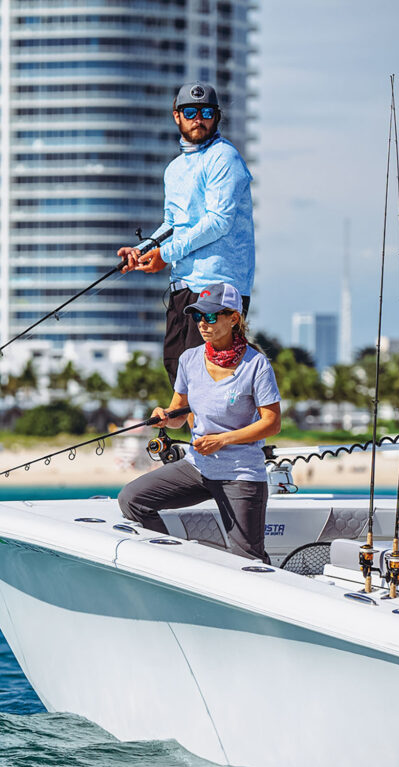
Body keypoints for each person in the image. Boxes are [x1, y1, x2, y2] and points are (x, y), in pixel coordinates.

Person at [117, 282, 280, 562]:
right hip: (197, 467)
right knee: (132, 499)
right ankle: (173, 563)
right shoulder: (189, 359)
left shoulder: (256, 365)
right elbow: (178, 414)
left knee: (247, 559)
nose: (203, 324)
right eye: (198, 316)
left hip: (240, 473)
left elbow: (272, 423)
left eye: (211, 316)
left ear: (234, 319)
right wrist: (165, 417)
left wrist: (222, 440)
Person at [118, 82, 255, 386]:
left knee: (210, 375)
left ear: (216, 117)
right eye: (190, 111)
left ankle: (216, 435)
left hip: (219, 285)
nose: (198, 118)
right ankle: (199, 436)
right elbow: (172, 223)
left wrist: (164, 255)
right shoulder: (174, 169)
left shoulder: (224, 157)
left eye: (207, 112)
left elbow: (219, 220)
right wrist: (143, 250)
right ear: (176, 116)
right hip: (183, 284)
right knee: (179, 371)